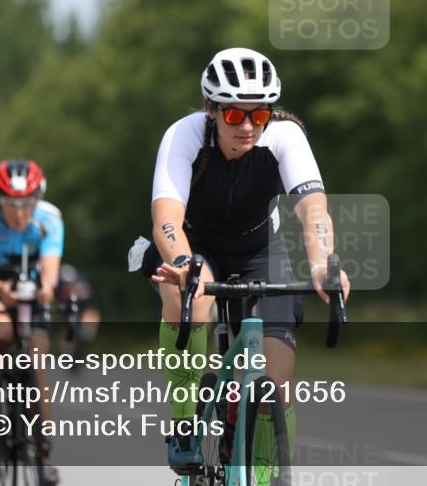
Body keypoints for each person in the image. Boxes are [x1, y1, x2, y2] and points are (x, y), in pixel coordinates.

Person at [142, 47, 350, 474]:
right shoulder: (184, 136)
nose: (250, 126)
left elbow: (312, 209)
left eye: (261, 114)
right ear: (211, 110)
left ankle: (263, 471)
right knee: (191, 298)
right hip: (195, 243)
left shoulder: (285, 137)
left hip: (258, 249)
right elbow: (166, 217)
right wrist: (183, 264)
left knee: (278, 379)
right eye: (236, 116)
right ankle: (186, 420)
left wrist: (322, 263)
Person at [0, 159, 62, 485]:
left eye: (26, 205)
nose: (19, 213)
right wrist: (0, 291)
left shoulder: (49, 220)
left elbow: (51, 270)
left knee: (37, 362)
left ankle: (45, 452)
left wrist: (47, 290)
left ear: (37, 199)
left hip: (33, 288)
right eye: (10, 205)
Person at [55, 263, 101, 362]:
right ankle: (68, 347)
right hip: (67, 310)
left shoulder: (83, 286)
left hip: (83, 307)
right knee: (66, 324)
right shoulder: (57, 287)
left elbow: (91, 307)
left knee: (88, 324)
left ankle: (81, 340)